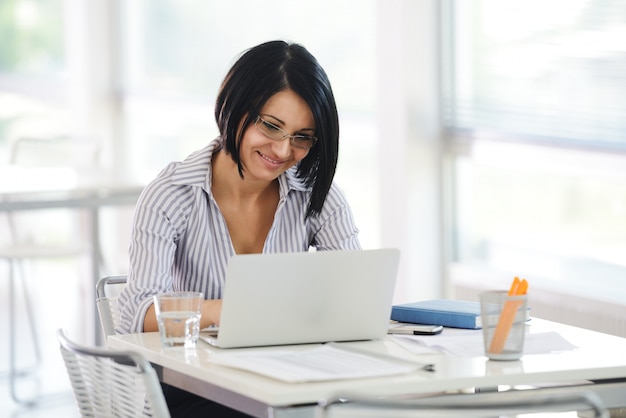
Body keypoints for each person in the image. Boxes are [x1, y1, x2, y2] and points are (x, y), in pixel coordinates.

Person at [116, 40, 361, 416]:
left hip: (291, 383)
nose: (283, 151)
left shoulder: (318, 196)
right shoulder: (171, 195)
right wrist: (233, 311)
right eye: (271, 126)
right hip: (197, 391)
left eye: (302, 137)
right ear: (233, 105)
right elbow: (140, 316)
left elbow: (355, 299)